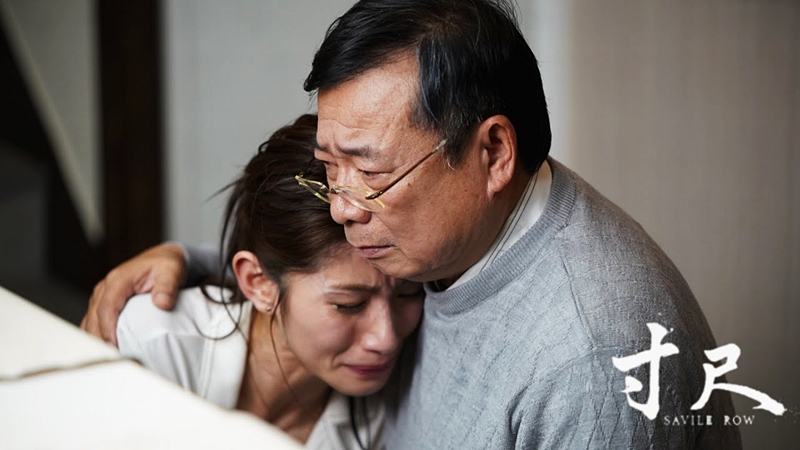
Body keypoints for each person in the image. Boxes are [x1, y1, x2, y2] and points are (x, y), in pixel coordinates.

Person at [83, 1, 742, 448]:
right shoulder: (443, 233)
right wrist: (192, 260)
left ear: (493, 154)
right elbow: (314, 267)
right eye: (330, 168)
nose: (342, 208)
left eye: (370, 173)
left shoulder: (589, 366)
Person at [111, 114, 424, 449]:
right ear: (258, 282)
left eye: (408, 293)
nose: (386, 339)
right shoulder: (157, 345)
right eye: (349, 304)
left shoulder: (383, 415)